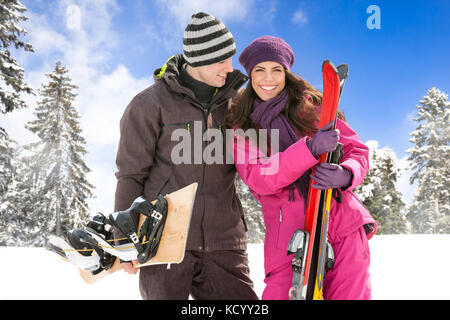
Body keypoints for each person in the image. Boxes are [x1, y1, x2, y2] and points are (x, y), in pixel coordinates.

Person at [113, 12, 258, 300]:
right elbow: (130, 175)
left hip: (223, 241)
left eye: (231, 57)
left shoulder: (237, 105)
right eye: (221, 60)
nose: (230, 68)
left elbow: (272, 147)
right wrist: (123, 238)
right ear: (199, 60)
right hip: (163, 241)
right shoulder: (149, 105)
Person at [226, 35, 378, 300]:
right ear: (250, 76)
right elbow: (259, 176)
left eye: (276, 69)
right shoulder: (244, 128)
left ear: (286, 73)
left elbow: (357, 151)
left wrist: (347, 173)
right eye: (259, 70)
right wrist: (308, 151)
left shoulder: (312, 108)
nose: (268, 78)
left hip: (341, 223)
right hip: (289, 240)